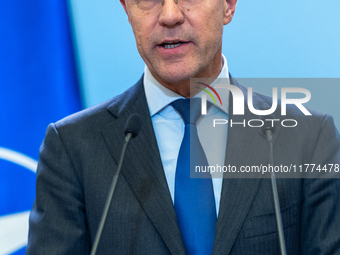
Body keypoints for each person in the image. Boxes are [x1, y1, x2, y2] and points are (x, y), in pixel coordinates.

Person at [27, 0, 340, 254]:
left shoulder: (307, 138)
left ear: (228, 6)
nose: (170, 15)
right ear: (127, 10)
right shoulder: (72, 147)